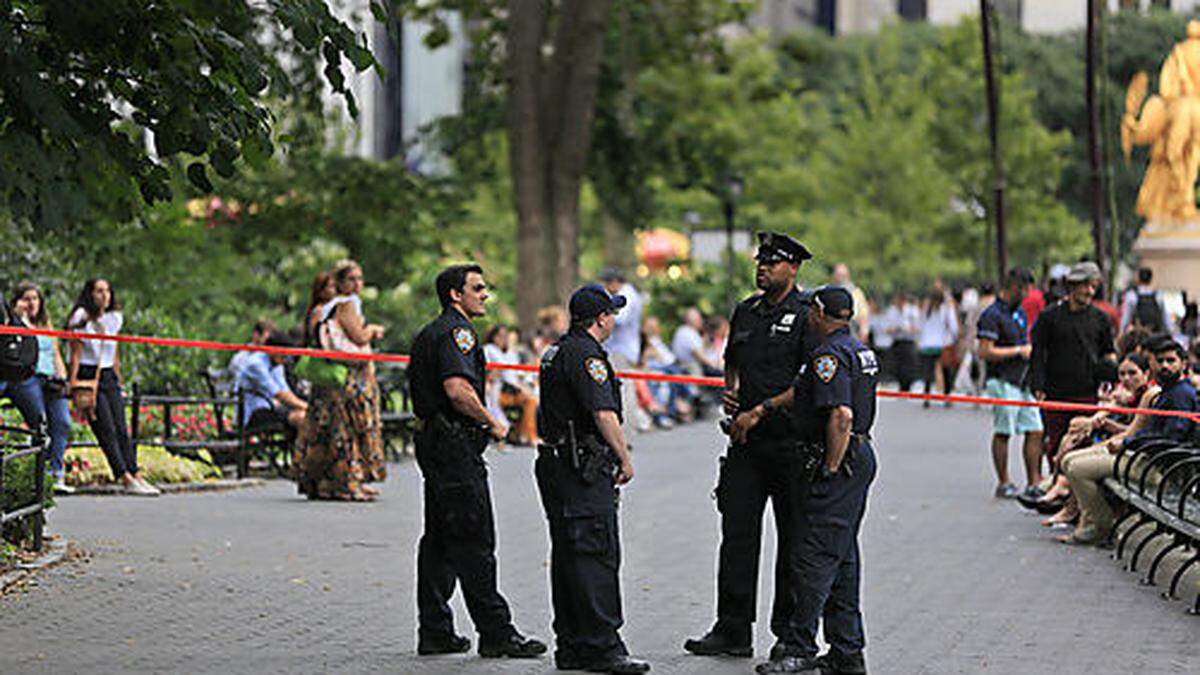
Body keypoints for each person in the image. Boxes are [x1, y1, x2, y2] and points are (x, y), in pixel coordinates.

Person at [684, 232, 813, 660]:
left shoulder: (807, 315)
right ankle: (732, 628)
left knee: (793, 541)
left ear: (793, 269)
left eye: (773, 263)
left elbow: (811, 379)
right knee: (737, 535)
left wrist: (761, 410)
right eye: (760, 262)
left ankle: (789, 633)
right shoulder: (746, 311)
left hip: (791, 443)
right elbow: (732, 360)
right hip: (746, 443)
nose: (763, 269)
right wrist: (732, 390)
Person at [408, 264, 547, 659]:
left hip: (433, 443)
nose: (485, 294)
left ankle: (435, 630)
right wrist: (493, 422)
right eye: (478, 288)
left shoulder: (430, 332)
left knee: (439, 539)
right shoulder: (459, 332)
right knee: (473, 537)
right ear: (456, 294)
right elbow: (457, 389)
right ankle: (497, 632)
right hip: (454, 447)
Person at [751, 285, 878, 675]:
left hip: (839, 460)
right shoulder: (858, 349)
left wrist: (831, 467)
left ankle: (799, 646)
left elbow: (841, 416)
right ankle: (846, 650)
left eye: (811, 310)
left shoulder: (828, 355)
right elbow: (804, 392)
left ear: (821, 312)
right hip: (859, 457)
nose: (807, 315)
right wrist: (763, 408)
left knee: (813, 558)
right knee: (841, 557)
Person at [535, 283, 649, 674]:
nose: (615, 319)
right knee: (595, 553)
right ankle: (603, 645)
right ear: (601, 318)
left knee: (569, 555)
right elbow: (603, 414)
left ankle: (572, 644)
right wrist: (624, 456)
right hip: (580, 466)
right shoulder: (587, 356)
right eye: (612, 313)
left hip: (556, 461)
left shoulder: (556, 351)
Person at [1061, 337, 1197, 545]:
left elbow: (1170, 439)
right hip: (1143, 457)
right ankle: (1093, 522)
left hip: (1158, 468)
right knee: (1068, 460)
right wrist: (1124, 439)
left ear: (1183, 364)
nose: (1165, 366)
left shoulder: (1181, 395)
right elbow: (1152, 432)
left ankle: (1099, 526)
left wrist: (1127, 443)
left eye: (1171, 361)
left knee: (1078, 468)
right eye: (1160, 361)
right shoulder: (1168, 391)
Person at [293, 260, 386, 501]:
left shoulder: (326, 307)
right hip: (347, 379)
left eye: (360, 279)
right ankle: (347, 483)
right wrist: (373, 330)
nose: (357, 284)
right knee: (348, 430)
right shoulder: (346, 306)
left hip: (331, 378)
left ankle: (329, 482)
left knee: (328, 431)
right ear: (340, 283)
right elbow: (358, 336)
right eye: (351, 279)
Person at [1026, 262, 1116, 497]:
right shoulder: (1049, 317)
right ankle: (1057, 486)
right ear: (1072, 287)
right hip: (1055, 390)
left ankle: (1072, 493)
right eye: (1085, 286)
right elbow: (1038, 352)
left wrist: (1110, 378)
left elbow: (1109, 352)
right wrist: (1037, 384)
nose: (1089, 292)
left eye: (1093, 286)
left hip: (1087, 390)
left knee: (1081, 444)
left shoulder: (1100, 318)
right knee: (1055, 443)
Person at [65, 279, 159, 496]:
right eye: (99, 291)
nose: (104, 295)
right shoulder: (80, 317)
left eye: (107, 291)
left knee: (121, 427)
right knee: (105, 428)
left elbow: (113, 350)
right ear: (90, 294)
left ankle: (134, 472)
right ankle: (123, 475)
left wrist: (118, 377)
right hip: (87, 374)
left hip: (108, 375)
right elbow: (76, 352)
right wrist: (73, 383)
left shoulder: (114, 317)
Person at [977, 268, 1044, 499]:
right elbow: (985, 351)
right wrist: (1017, 351)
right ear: (1014, 286)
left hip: (1022, 379)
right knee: (1004, 430)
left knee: (1035, 429)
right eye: (1025, 289)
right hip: (1002, 379)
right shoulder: (992, 315)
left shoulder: (1020, 313)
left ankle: (1034, 481)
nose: (1027, 295)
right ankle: (1004, 480)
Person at [9, 282, 72, 493]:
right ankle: (38, 475)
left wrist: (63, 375)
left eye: (35, 298)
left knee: (62, 422)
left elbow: (55, 352)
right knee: (40, 422)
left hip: (51, 377)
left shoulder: (45, 324)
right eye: (26, 298)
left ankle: (56, 472)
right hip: (28, 377)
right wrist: (17, 317)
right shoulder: (13, 323)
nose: (31, 303)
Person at [600, 269, 643, 436]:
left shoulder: (627, 296)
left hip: (621, 349)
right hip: (624, 348)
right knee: (626, 389)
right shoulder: (631, 294)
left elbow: (620, 319)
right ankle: (625, 430)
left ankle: (623, 431)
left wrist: (605, 313)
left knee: (623, 390)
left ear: (615, 282)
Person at [235, 333, 307, 431]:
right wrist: (306, 407)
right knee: (301, 418)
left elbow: (285, 390)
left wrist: (302, 406)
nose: (285, 358)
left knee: (305, 416)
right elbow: (278, 394)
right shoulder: (256, 364)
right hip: (253, 413)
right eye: (284, 354)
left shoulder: (276, 364)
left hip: (270, 408)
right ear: (273, 350)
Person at [483, 325, 539, 446]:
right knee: (528, 399)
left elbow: (516, 374)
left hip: (514, 389)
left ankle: (523, 434)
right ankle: (519, 434)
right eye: (501, 336)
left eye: (506, 336)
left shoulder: (510, 353)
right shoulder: (489, 350)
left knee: (531, 401)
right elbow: (491, 371)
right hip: (498, 390)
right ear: (494, 337)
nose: (504, 339)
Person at [916, 286, 958, 406]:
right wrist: (953, 338)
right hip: (942, 343)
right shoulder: (946, 309)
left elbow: (920, 325)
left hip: (927, 343)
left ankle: (927, 395)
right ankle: (947, 395)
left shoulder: (926, 309)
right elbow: (953, 326)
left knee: (928, 371)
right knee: (946, 371)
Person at [1121, 267, 1171, 334]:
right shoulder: (1158, 295)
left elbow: (1125, 319)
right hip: (1155, 336)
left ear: (1138, 278)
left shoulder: (1131, 295)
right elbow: (1166, 319)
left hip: (1139, 335)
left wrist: (1122, 332)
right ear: (1151, 279)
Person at [831, 263, 870, 343]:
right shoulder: (830, 291)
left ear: (848, 276)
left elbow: (863, 314)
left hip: (851, 328)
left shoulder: (856, 292)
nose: (840, 277)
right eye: (838, 274)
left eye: (843, 275)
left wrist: (864, 330)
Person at [303, 271, 337, 347]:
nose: (335, 290)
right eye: (331, 286)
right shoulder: (319, 310)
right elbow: (313, 336)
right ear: (321, 291)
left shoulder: (332, 309)